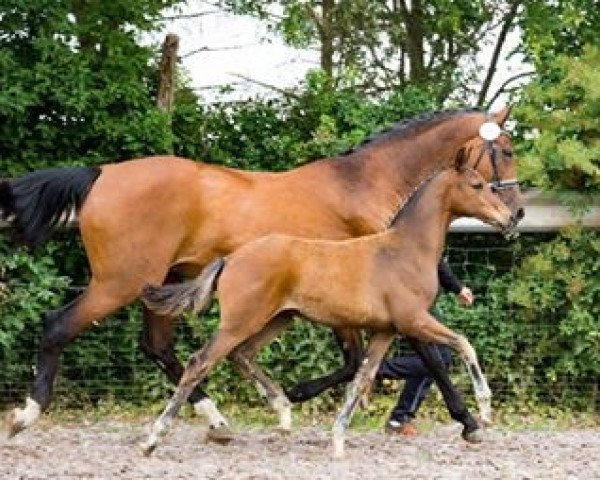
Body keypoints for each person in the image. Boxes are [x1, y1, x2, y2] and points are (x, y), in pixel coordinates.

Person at [377, 260, 474, 436]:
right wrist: (458, 288)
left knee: (435, 359)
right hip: (412, 300)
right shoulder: (417, 232)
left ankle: (398, 416)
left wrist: (456, 287)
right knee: (438, 359)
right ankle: (373, 371)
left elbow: (435, 260)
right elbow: (434, 258)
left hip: (412, 297)